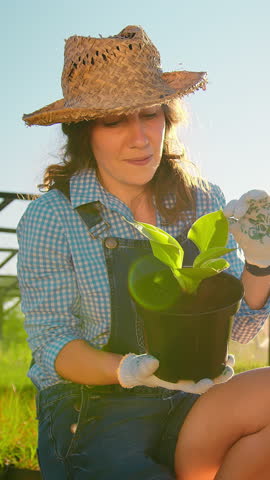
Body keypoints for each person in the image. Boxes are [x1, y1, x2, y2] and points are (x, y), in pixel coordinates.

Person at [17, 25, 270, 480]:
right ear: (83, 132)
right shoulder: (54, 216)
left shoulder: (202, 201)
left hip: (190, 402)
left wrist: (260, 262)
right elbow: (52, 342)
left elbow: (239, 326)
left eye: (149, 114)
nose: (140, 137)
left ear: (167, 118)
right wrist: (132, 370)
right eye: (114, 120)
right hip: (91, 415)